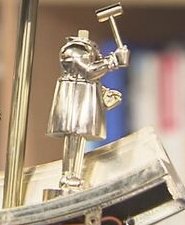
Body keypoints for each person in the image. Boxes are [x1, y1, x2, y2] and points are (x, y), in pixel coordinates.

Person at [44, 29, 129, 200]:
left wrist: (103, 93)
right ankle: (68, 176)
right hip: (73, 100)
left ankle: (74, 175)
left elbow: (93, 77)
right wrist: (113, 60)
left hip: (83, 98)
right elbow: (89, 72)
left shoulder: (90, 49)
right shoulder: (73, 50)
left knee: (79, 139)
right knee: (72, 138)